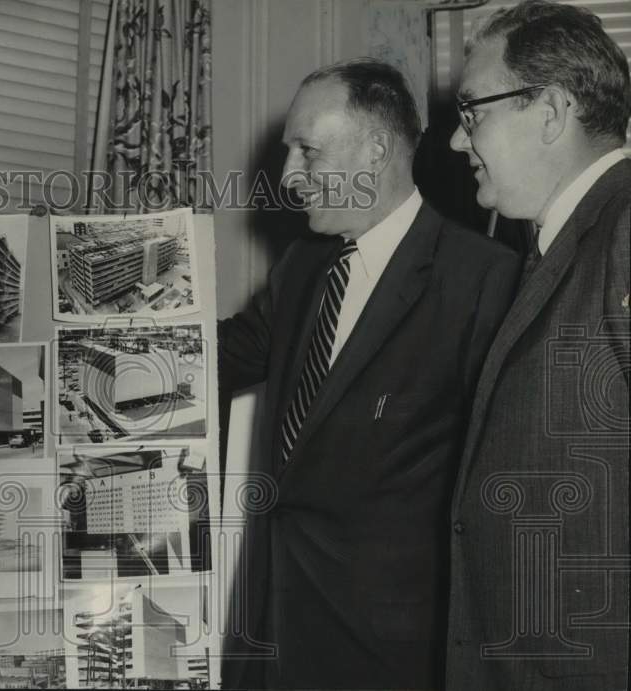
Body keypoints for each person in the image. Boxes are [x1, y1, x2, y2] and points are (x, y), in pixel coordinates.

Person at [219, 58, 521, 689]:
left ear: (377, 150)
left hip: (394, 658)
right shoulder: (300, 269)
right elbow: (215, 357)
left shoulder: (484, 282)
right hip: (275, 641)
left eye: (308, 152)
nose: (287, 177)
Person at [444, 2, 630, 689]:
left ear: (551, 111)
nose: (460, 143)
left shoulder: (624, 227)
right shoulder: (549, 249)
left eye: (474, 114)